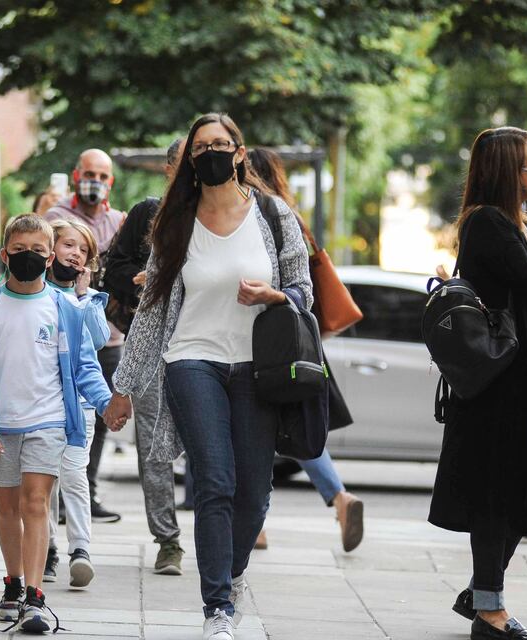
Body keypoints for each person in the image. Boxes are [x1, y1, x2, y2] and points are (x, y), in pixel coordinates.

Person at [104, 113, 313, 640]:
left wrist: (276, 296)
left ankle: (232, 571)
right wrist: (124, 388)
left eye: (223, 144)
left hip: (258, 367)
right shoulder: (175, 223)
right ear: (191, 160)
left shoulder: (273, 214)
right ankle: (217, 607)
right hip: (191, 360)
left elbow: (304, 290)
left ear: (240, 153)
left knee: (256, 491)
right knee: (214, 482)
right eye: (202, 147)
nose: (213, 153)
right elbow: (152, 311)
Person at [0, 214, 129, 633]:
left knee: (36, 504)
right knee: (7, 508)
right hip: (0, 426)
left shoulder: (65, 308)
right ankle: (13, 583)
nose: (28, 258)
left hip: (49, 422)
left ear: (50, 258)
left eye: (37, 251)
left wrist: (107, 403)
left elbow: (86, 366)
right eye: (19, 251)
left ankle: (35, 597)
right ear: (4, 255)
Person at [427, 127, 527, 640]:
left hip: (522, 381)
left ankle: (483, 593)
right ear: (507, 170)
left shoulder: (510, 223)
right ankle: (489, 610)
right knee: (501, 498)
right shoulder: (487, 225)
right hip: (499, 384)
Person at [247, 147, 365, 553]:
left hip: (267, 342)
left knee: (259, 429)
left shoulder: (258, 215)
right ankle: (339, 498)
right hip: (301, 342)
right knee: (296, 430)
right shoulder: (294, 218)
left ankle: (256, 522)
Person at [102, 139, 186, 575]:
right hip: (151, 343)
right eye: (186, 159)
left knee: (210, 443)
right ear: (169, 168)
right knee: (153, 443)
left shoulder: (225, 217)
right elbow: (110, 269)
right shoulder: (146, 214)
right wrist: (144, 283)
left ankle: (224, 533)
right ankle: (168, 540)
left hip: (205, 343)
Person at [43, 149, 126, 523]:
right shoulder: (56, 217)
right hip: (60, 338)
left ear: (111, 181)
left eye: (102, 175)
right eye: (89, 173)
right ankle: (55, 497)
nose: (95, 180)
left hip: (108, 337)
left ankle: (85, 494)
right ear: (77, 175)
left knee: (100, 416)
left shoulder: (119, 221)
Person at [42, 218, 110, 589]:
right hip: (42, 402)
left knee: (73, 474)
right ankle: (48, 547)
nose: (76, 253)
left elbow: (99, 340)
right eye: (69, 245)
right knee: (43, 482)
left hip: (80, 405)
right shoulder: (36, 291)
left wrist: (85, 296)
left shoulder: (88, 299)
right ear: (51, 249)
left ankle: (80, 548)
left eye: (83, 249)